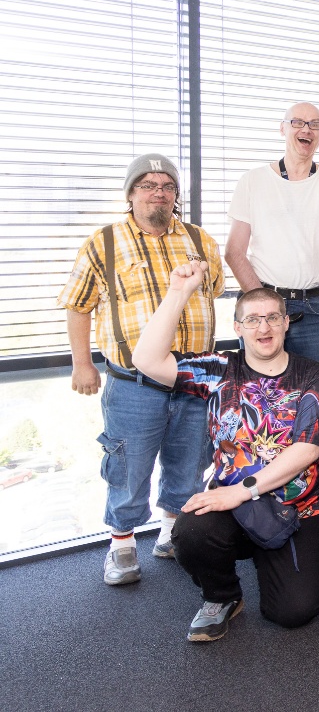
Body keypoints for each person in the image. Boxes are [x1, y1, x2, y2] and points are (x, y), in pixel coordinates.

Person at [132, 264, 319, 641]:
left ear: (286, 323)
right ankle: (222, 596)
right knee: (191, 531)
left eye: (273, 317)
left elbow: (306, 450)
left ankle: (271, 559)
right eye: (253, 319)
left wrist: (244, 490)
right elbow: (146, 360)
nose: (264, 328)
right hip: (236, 506)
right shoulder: (219, 369)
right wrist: (178, 292)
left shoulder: (312, 374)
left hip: (297, 508)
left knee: (291, 613)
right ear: (238, 327)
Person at [58, 153, 223, 586]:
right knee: (128, 467)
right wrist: (82, 365)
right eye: (148, 185)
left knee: (189, 463)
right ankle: (122, 545)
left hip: (193, 380)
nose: (159, 193)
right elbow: (78, 307)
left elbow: (214, 293)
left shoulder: (201, 241)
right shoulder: (104, 242)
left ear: (176, 196)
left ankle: (170, 532)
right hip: (133, 383)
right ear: (131, 194)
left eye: (167, 186)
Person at [225, 101, 319, 537]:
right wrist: (264, 305)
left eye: (315, 125)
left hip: (315, 310)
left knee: (316, 407)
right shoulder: (253, 181)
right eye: (298, 123)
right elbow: (234, 251)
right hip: (266, 311)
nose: (306, 130)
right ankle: (255, 492)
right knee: (257, 406)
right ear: (283, 128)